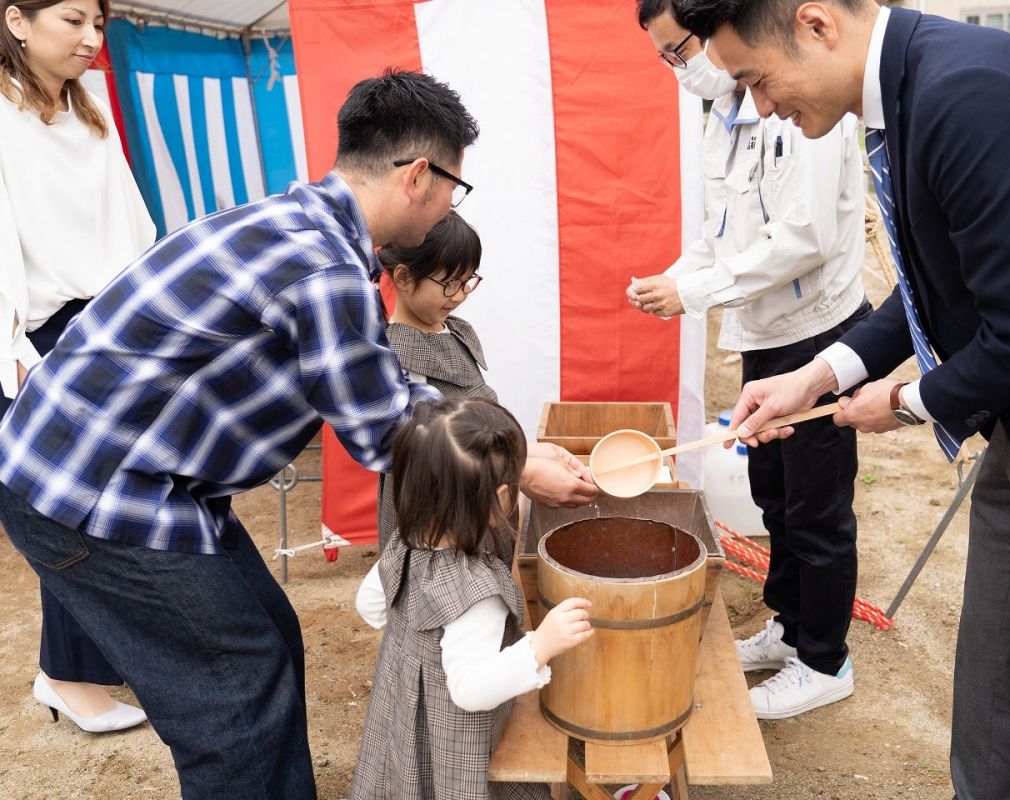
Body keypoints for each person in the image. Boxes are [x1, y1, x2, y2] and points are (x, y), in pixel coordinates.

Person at [674, 0, 1010, 797]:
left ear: (816, 25)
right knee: (993, 680)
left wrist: (907, 401)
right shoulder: (911, 89)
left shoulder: (968, 92)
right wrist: (821, 374)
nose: (762, 106)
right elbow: (929, 281)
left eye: (756, 79)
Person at [0, 68, 479, 799]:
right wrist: (510, 458)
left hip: (118, 468)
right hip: (92, 488)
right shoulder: (325, 266)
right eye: (454, 187)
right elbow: (383, 430)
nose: (451, 204)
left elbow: (369, 381)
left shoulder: (293, 221)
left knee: (267, 634)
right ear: (418, 175)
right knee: (236, 692)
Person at [633, 0, 868, 719]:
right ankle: (790, 629)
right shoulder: (722, 118)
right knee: (774, 495)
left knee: (816, 505)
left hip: (816, 334)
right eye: (665, 58)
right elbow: (718, 234)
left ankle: (826, 660)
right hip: (762, 336)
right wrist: (674, 278)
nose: (679, 70)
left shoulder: (799, 101)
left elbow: (806, 238)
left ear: (720, 27)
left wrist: (695, 289)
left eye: (680, 51)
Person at [1, 0, 153, 733]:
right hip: (36, 334)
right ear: (17, 20)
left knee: (112, 505)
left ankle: (81, 665)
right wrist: (14, 349)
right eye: (74, 21)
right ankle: (66, 675)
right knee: (67, 514)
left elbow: (131, 217)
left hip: (110, 321)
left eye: (100, 24)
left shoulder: (90, 104)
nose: (94, 40)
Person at [355, 211, 598, 628]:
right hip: (435, 515)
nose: (460, 294)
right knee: (441, 618)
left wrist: (527, 449)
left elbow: (477, 417)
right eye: (448, 282)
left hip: (482, 500)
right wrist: (521, 470)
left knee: (484, 603)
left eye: (468, 280)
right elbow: (434, 449)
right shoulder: (396, 357)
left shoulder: (453, 329)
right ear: (404, 278)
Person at [350, 396, 593, 800]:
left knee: (406, 779)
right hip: (452, 736)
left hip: (402, 711)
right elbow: (470, 689)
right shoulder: (478, 595)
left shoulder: (404, 543)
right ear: (501, 498)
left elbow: (370, 605)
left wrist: (415, 648)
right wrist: (541, 644)